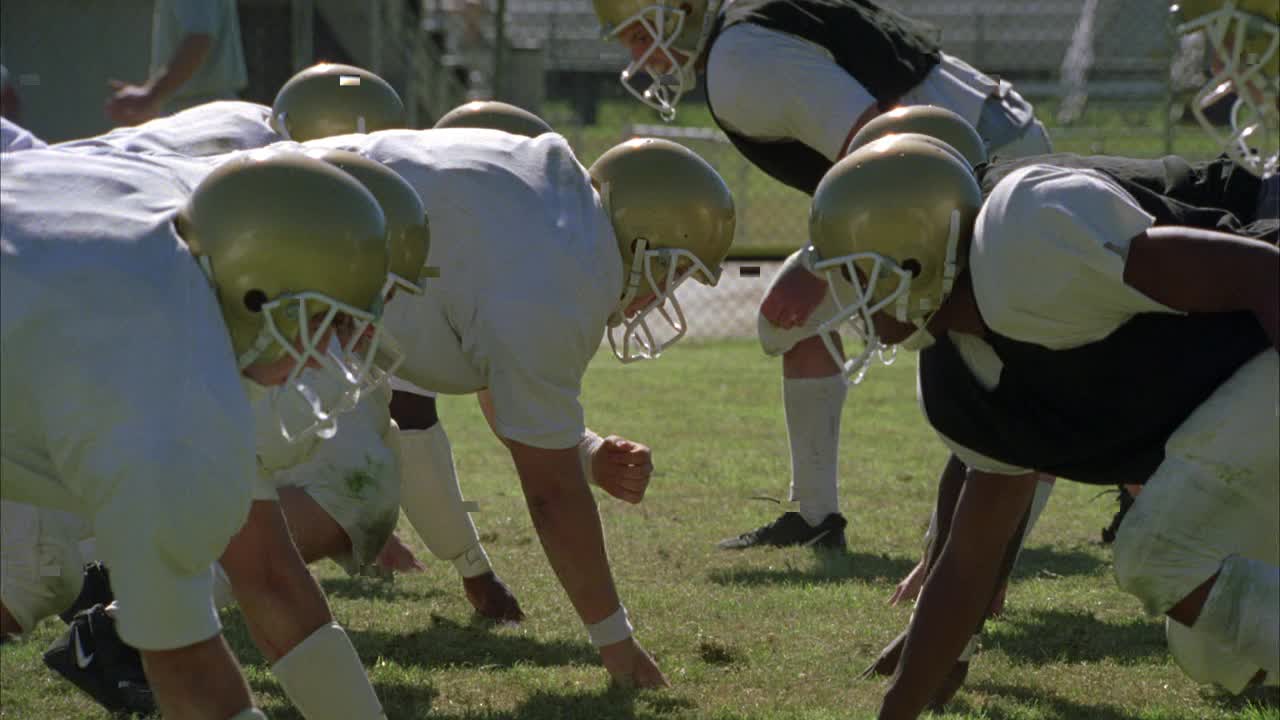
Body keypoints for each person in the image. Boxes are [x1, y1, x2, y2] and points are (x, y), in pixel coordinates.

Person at [801, 132, 1277, 718]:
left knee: (1158, 551)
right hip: (1247, 389)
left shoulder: (1023, 239)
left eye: (858, 274)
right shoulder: (958, 368)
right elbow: (970, 558)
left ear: (917, 253)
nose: (849, 298)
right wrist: (901, 704)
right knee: (1217, 656)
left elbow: (1261, 272)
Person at [593, 0, 1053, 551]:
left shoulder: (740, 60)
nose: (640, 58)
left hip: (966, 168)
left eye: (643, 34)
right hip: (977, 149)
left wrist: (818, 258)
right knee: (800, 322)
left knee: (989, 346)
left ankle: (995, 533)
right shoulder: (745, 31)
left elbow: (880, 139)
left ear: (682, 11)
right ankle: (824, 520)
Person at [301, 127, 735, 687]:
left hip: (281, 217)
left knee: (310, 472)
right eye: (673, 273)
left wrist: (585, 453)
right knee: (351, 493)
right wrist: (617, 645)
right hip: (285, 244)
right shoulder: (567, 271)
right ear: (644, 243)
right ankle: (168, 615)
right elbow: (551, 496)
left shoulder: (556, 207)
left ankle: (173, 613)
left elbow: (499, 371)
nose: (665, 294)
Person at [2, 146, 393, 719]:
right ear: (257, 294)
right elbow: (191, 676)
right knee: (31, 571)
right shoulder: (162, 389)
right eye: (324, 322)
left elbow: (267, 572)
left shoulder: (205, 209)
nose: (325, 357)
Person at [106, 0, 247, 125]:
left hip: (200, 118)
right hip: (202, 113)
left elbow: (199, 39)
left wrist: (150, 96)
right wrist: (153, 99)